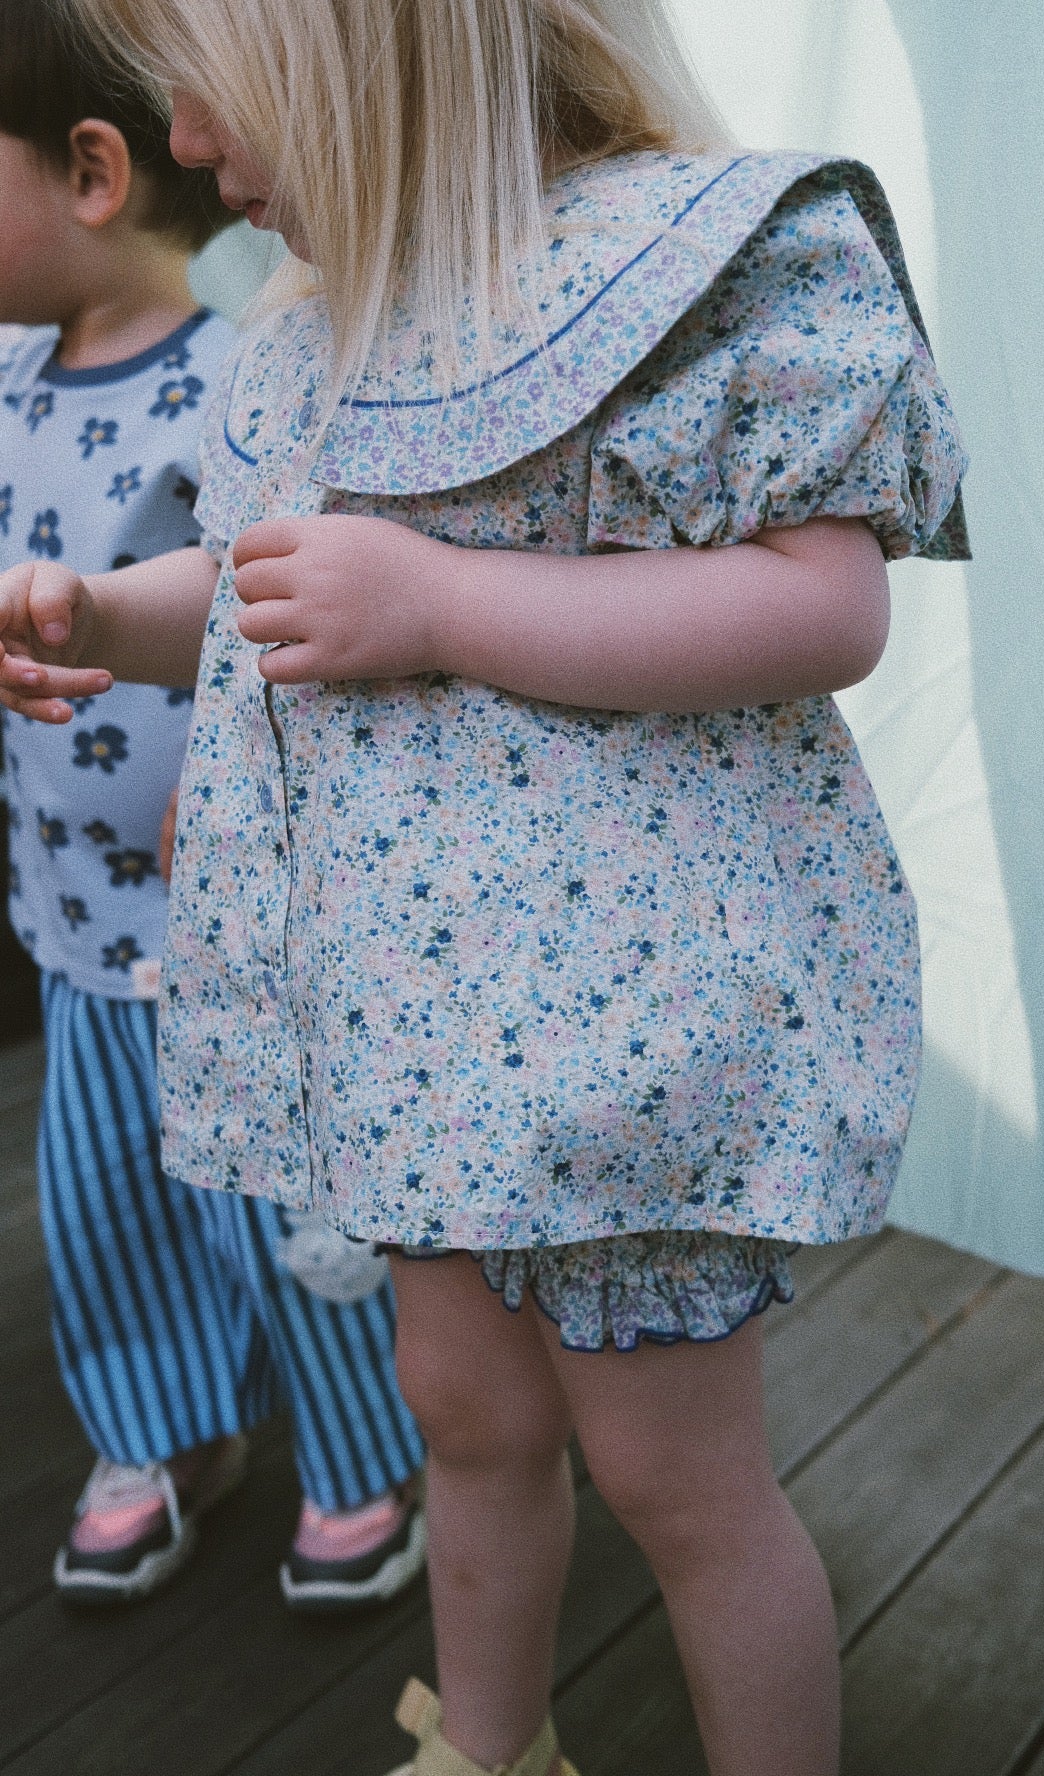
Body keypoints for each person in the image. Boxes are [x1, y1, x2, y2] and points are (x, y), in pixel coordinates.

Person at [0, 0, 969, 1769]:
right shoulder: (307, 325)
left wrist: (446, 605)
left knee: (680, 1481)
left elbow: (825, 604)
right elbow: (269, 588)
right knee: (461, 1417)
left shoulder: (679, 269)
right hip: (421, 1039)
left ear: (350, 59)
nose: (189, 149)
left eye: (207, 96)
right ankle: (487, 1747)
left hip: (628, 1046)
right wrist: (106, 619)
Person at [0, 0, 426, 1612]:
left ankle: (365, 1447)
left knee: (284, 1202)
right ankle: (163, 1431)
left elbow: (285, 619)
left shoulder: (241, 374)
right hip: (71, 912)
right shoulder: (7, 378)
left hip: (238, 922)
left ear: (95, 171)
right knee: (107, 1194)